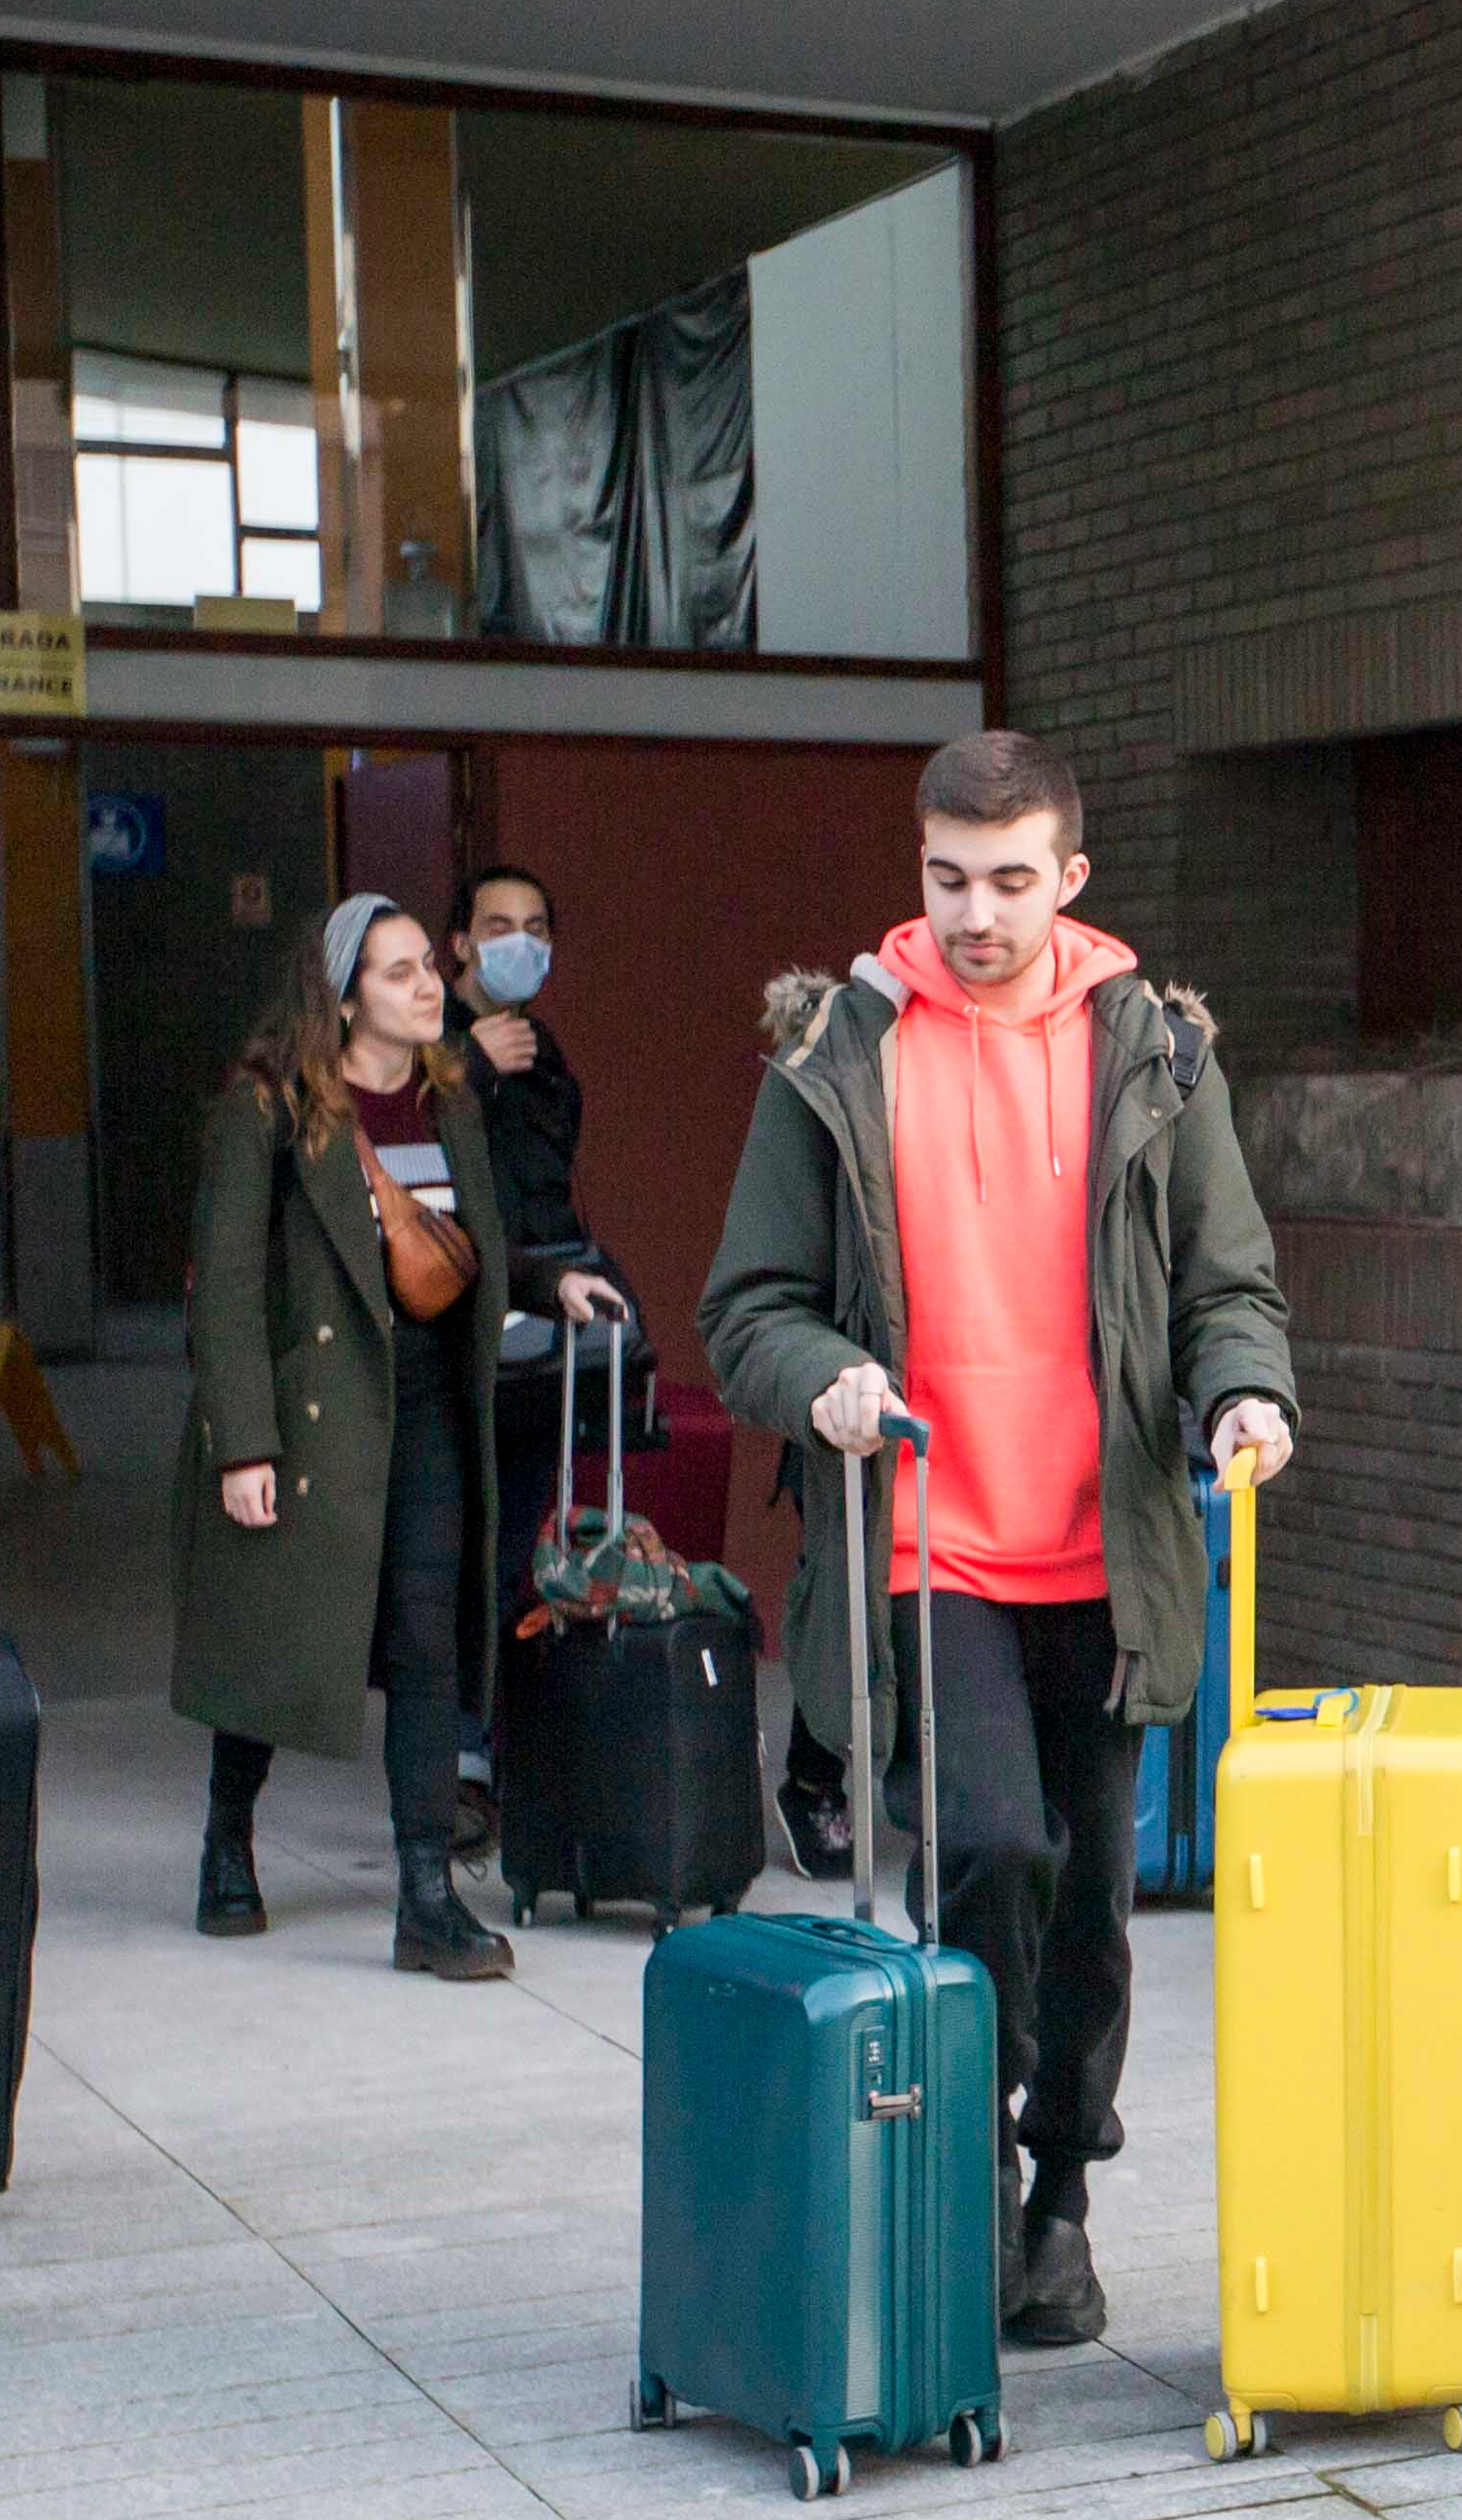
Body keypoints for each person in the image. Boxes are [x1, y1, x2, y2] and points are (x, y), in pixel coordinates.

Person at [706, 729, 1295, 2347]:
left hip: (1101, 1550)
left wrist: (1243, 1391)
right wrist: (821, 1375)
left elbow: (1221, 1280)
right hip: (921, 1545)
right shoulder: (838, 1049)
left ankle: (1059, 2196)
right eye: (946, 877)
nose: (976, 911)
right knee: (990, 1846)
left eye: (1010, 879)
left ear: (1071, 878)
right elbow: (741, 1306)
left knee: (1090, 1895)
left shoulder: (1156, 1056)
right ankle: (959, 2173)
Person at [173, 894, 622, 1974]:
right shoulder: (268, 1109)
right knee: (294, 1631)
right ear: (342, 997)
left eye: (428, 964)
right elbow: (225, 1286)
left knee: (426, 1635)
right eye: (398, 972)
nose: (429, 986)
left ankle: (425, 1893)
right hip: (313, 1405)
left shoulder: (449, 1097)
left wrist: (550, 1278)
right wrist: (245, 1444)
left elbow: (471, 1238)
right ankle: (227, 1832)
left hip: (426, 1398)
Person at [446, 863, 592, 1861]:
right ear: (458, 943)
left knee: (511, 1562)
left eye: (536, 925)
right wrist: (463, 1062)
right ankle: (452, 1763)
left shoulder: (547, 1060)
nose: (518, 942)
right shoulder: (427, 1055)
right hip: (448, 1344)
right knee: (449, 1563)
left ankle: (488, 1759)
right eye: (498, 925)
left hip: (538, 1343)